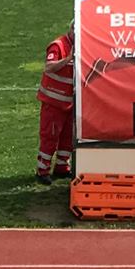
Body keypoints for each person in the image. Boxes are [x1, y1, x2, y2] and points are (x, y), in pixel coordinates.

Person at [35, 21, 76, 182]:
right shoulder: (58, 45)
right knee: (50, 137)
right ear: (71, 30)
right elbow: (49, 67)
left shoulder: (80, 45)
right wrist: (68, 59)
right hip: (54, 103)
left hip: (69, 103)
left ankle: (62, 167)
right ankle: (42, 171)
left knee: (67, 137)